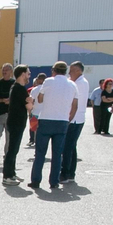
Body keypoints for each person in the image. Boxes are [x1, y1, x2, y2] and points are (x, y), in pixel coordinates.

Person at [31, 62, 80, 190]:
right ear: (66, 71)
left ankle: (36, 180)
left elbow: (40, 99)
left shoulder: (48, 81)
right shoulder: (72, 85)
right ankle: (54, 181)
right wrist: (69, 119)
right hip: (62, 121)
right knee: (57, 154)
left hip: (46, 119)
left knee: (40, 152)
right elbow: (75, 105)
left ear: (54, 70)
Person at [2, 65, 32, 183]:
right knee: (12, 149)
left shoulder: (17, 87)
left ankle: (12, 173)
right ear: (23, 74)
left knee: (14, 148)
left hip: (15, 121)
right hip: (16, 122)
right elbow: (29, 107)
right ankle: (7, 176)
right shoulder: (19, 88)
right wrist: (30, 101)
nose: (29, 76)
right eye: (28, 73)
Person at [60, 62, 89, 183]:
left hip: (74, 119)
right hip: (76, 118)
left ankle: (65, 174)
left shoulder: (80, 83)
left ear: (78, 71)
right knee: (71, 146)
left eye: (72, 70)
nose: (69, 73)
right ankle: (71, 173)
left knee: (67, 147)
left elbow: (72, 101)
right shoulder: (78, 82)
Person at [25, 73, 46, 148]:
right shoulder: (48, 89)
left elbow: (31, 101)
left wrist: (29, 112)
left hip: (35, 113)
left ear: (40, 80)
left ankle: (37, 148)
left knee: (36, 132)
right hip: (45, 115)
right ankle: (42, 147)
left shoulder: (34, 89)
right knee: (44, 133)